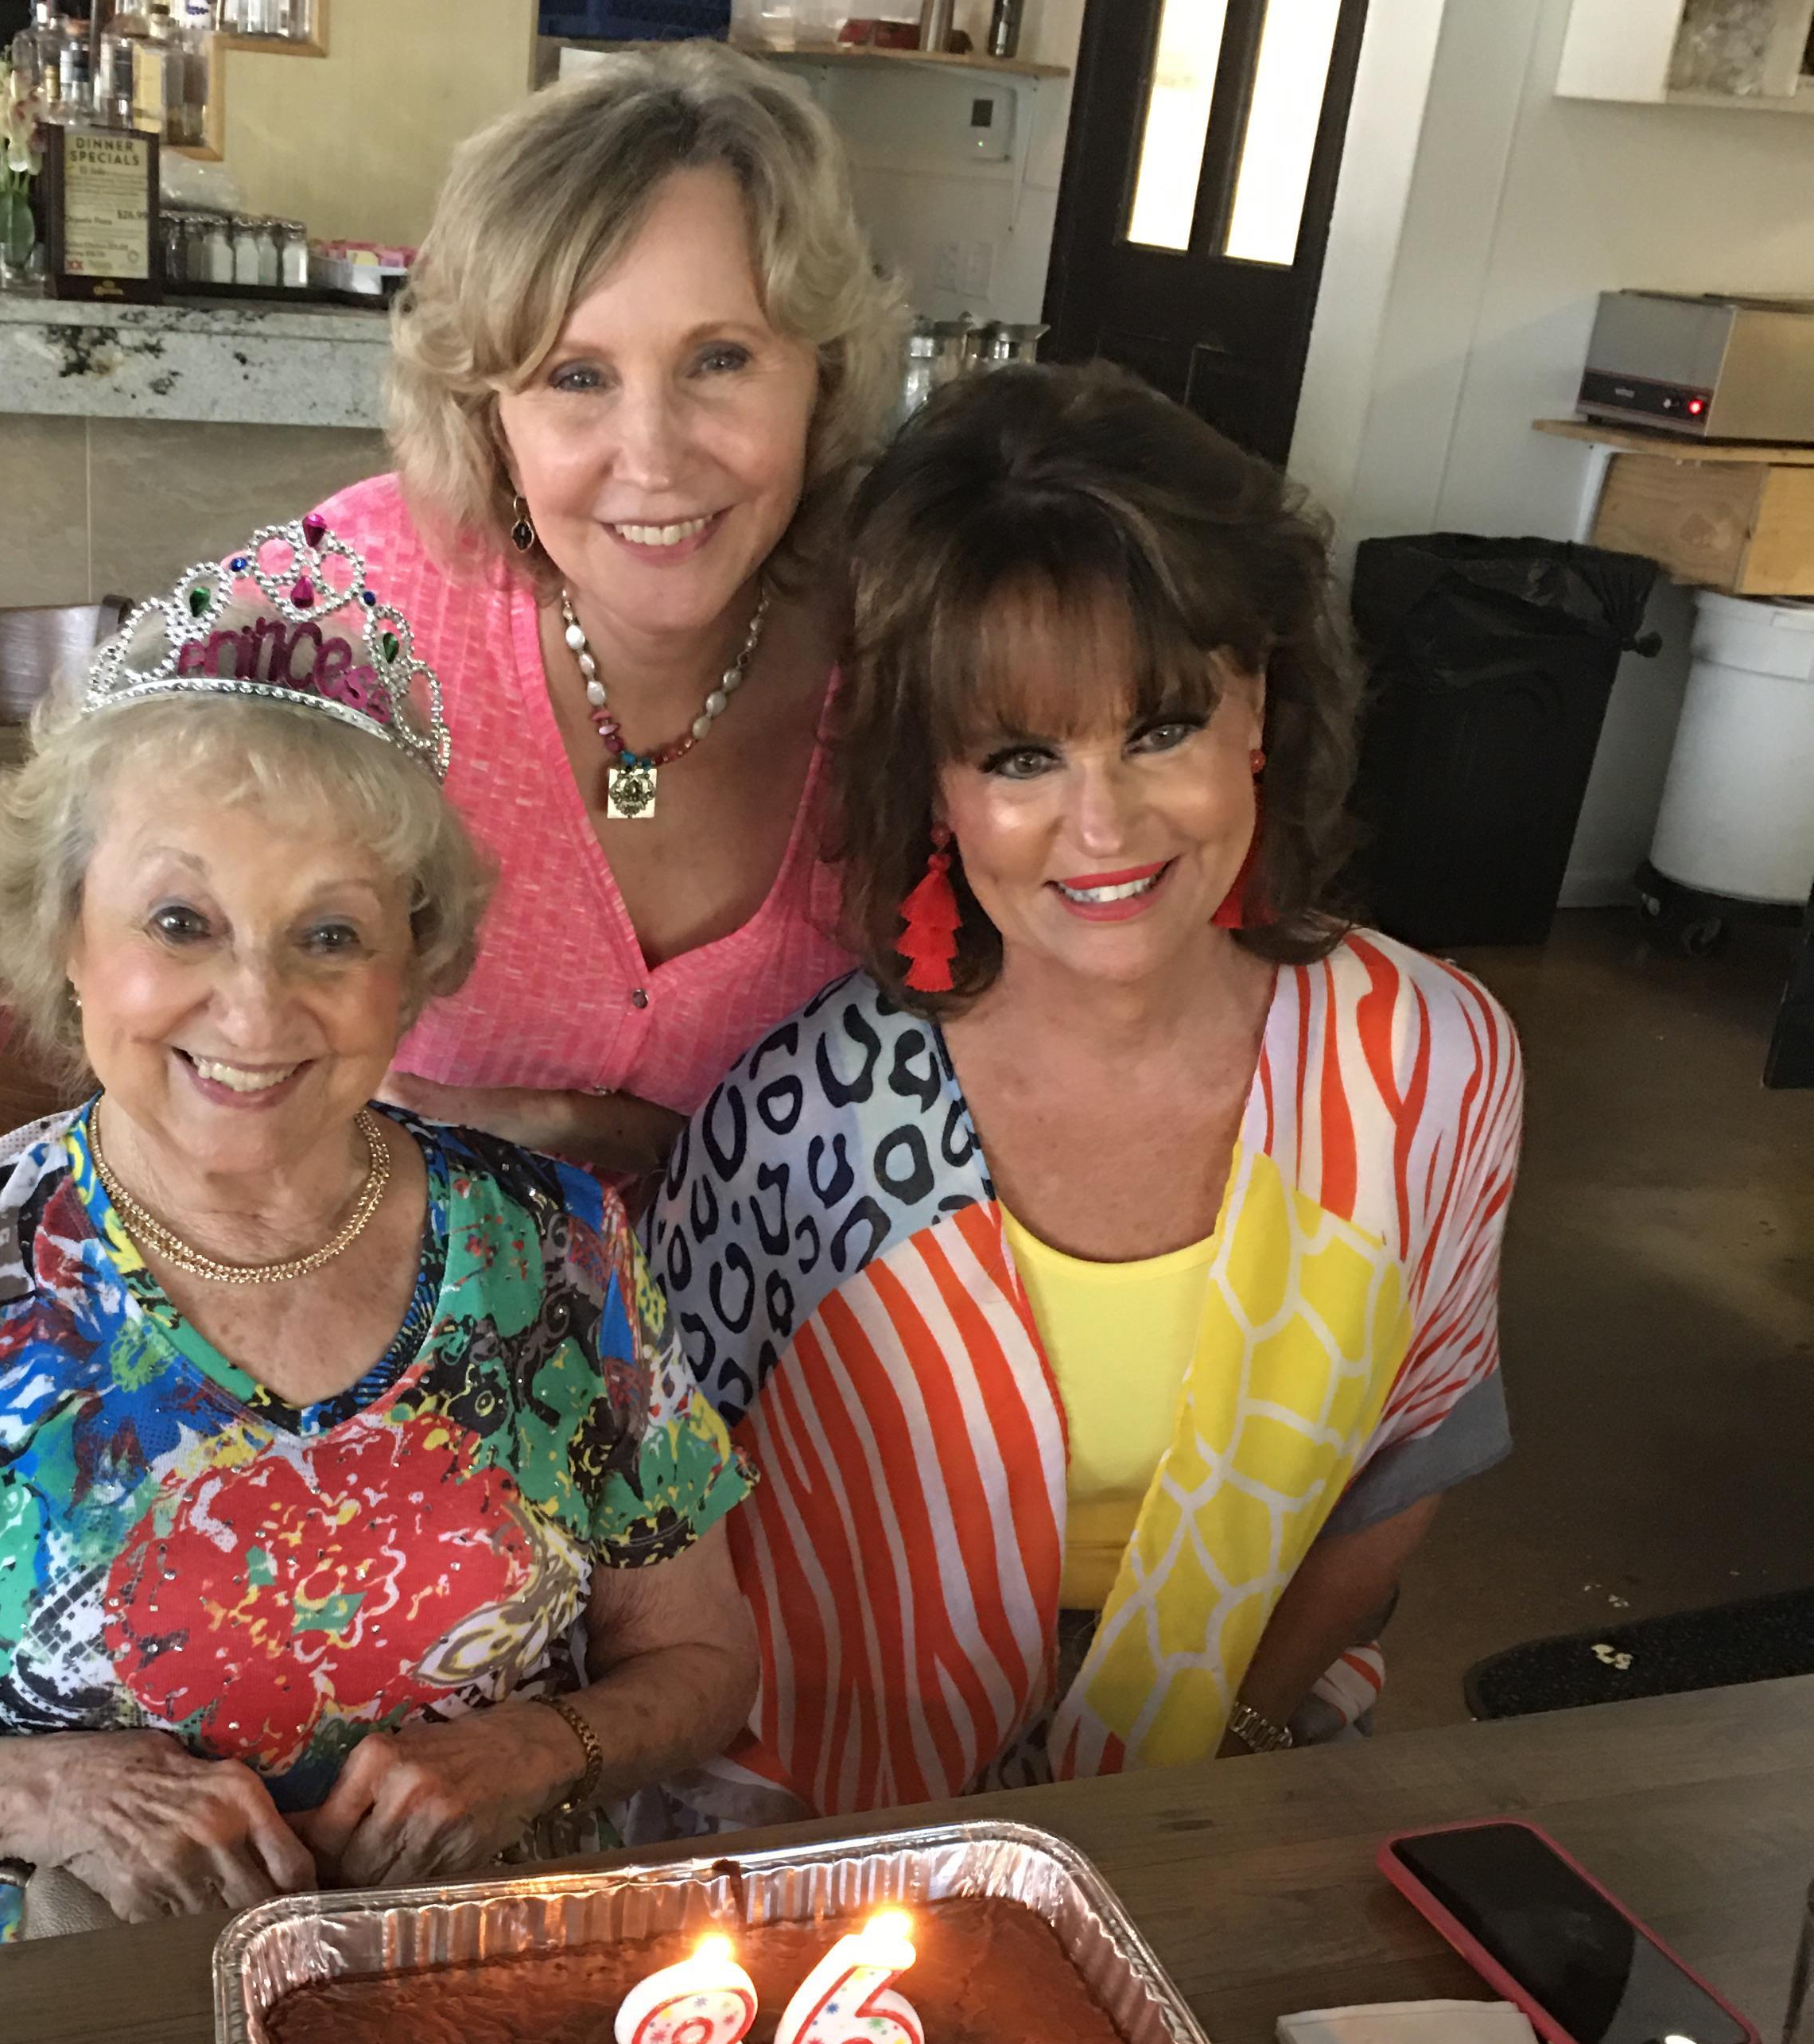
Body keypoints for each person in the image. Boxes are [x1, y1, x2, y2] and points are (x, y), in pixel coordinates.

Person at [0, 41, 902, 1439]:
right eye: (572, 376)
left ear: (822, 369)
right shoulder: (366, 594)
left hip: (768, 1408)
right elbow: (9, 872)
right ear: (488, 418)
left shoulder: (911, 643)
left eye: (719, 358)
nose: (653, 450)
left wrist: (600, 1142)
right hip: (358, 1388)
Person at [0, 518, 758, 1948]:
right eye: (179, 921)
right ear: (64, 939)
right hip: (49, 2042)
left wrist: (536, 1751)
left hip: (467, 1994)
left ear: (409, 965)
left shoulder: (559, 1256)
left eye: (327, 935)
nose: (252, 1009)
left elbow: (699, 1659)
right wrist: (44, 1797)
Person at [645, 363, 1524, 1820]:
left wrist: (1203, 1773)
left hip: (1240, 1766)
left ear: (1261, 701)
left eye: (1162, 726)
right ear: (931, 782)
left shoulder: (1428, 1059)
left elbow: (1403, 1459)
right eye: (1020, 755)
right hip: (834, 1801)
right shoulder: (800, 1123)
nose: (1101, 825)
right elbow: (661, 1521)